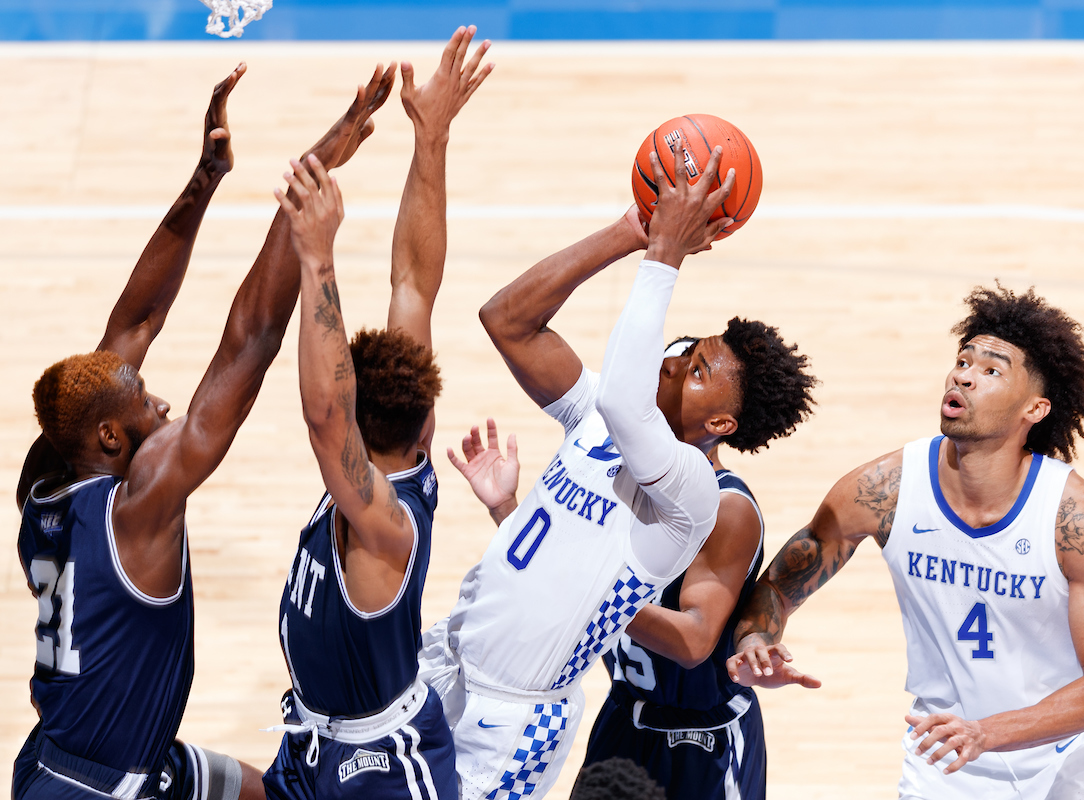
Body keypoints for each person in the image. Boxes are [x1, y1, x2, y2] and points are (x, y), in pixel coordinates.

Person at [14, 62, 392, 800]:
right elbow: (249, 342)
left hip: (93, 752)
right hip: (98, 789)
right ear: (113, 442)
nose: (161, 405)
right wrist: (306, 208)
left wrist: (206, 177)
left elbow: (135, 323)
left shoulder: (46, 480)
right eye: (147, 403)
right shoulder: (142, 503)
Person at [419, 142, 815, 800]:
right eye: (689, 349)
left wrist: (666, 257)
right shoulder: (601, 415)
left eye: (699, 370)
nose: (678, 358)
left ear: (720, 425)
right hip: (452, 660)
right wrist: (629, 232)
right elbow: (507, 320)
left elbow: (624, 405)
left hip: (521, 715)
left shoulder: (694, 491)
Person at [728, 285, 1084, 799]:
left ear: (1035, 408)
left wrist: (988, 732)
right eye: (963, 360)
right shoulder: (883, 491)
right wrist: (755, 642)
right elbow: (781, 587)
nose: (964, 374)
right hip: (942, 754)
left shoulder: (1077, 520)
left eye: (991, 370)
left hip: (1060, 757)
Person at [260, 27, 492, 800]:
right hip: (313, 743)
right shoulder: (400, 462)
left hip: (384, 770)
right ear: (426, 424)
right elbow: (413, 284)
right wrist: (432, 139)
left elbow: (327, 419)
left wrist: (318, 256)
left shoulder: (385, 521)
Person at [453, 334, 815, 800]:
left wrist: (595, 593)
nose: (674, 368)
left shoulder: (727, 507)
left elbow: (693, 640)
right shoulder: (613, 469)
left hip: (704, 739)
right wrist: (507, 509)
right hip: (625, 715)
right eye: (682, 356)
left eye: (697, 369)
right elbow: (558, 568)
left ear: (720, 422)